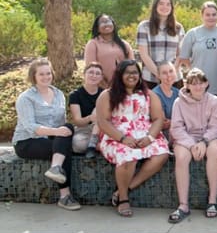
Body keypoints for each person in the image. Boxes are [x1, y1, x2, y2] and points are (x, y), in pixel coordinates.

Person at [96, 60, 169, 217]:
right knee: (128, 156)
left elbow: (158, 119)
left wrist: (150, 137)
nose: (131, 75)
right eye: (127, 72)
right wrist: (123, 139)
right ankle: (123, 199)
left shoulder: (149, 94)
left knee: (162, 154)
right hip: (117, 136)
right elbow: (103, 122)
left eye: (135, 72)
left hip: (145, 135)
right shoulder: (107, 95)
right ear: (119, 75)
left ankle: (126, 188)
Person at [13, 58, 80, 211]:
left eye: (48, 73)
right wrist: (57, 132)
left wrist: (61, 132)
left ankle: (55, 167)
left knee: (68, 127)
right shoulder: (26, 98)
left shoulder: (58, 94)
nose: (46, 77)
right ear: (34, 76)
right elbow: (31, 127)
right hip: (27, 142)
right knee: (64, 150)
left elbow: (61, 123)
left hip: (50, 138)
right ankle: (65, 196)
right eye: (41, 74)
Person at [169, 68, 217, 223]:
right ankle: (183, 205)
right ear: (187, 85)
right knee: (181, 157)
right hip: (186, 138)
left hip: (208, 137)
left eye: (201, 83)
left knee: (215, 150)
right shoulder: (178, 102)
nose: (198, 87)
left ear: (206, 83)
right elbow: (176, 128)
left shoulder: (215, 101)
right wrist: (191, 144)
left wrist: (204, 141)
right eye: (194, 84)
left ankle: (212, 201)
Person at [180, 1, 217, 105]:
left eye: (214, 14)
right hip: (198, 86)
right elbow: (184, 58)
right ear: (202, 16)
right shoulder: (192, 33)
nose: (211, 17)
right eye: (207, 14)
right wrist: (193, 73)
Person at [137, 0, 185, 89]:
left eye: (168, 4)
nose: (165, 7)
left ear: (171, 8)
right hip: (151, 78)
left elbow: (180, 55)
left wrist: (170, 74)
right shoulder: (144, 27)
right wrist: (159, 74)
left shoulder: (178, 28)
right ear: (155, 6)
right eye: (161, 3)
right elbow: (144, 55)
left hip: (174, 79)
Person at [84, 14, 134, 88]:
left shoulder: (124, 44)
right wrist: (104, 86)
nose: (106, 24)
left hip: (123, 86)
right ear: (97, 28)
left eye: (108, 21)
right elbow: (91, 67)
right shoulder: (93, 44)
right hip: (101, 87)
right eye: (102, 22)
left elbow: (132, 66)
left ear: (113, 24)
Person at [69, 62, 104, 159]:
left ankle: (93, 145)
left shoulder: (104, 93)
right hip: (84, 129)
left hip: (102, 128)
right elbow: (78, 122)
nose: (94, 76)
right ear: (84, 74)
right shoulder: (75, 95)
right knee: (77, 144)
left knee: (98, 108)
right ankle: (98, 146)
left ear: (101, 77)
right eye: (91, 72)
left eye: (97, 73)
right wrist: (90, 118)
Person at [152, 61, 180, 141]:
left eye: (171, 71)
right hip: (163, 133)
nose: (169, 75)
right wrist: (180, 121)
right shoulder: (155, 94)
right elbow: (164, 124)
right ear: (158, 76)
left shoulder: (177, 92)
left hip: (177, 128)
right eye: (164, 73)